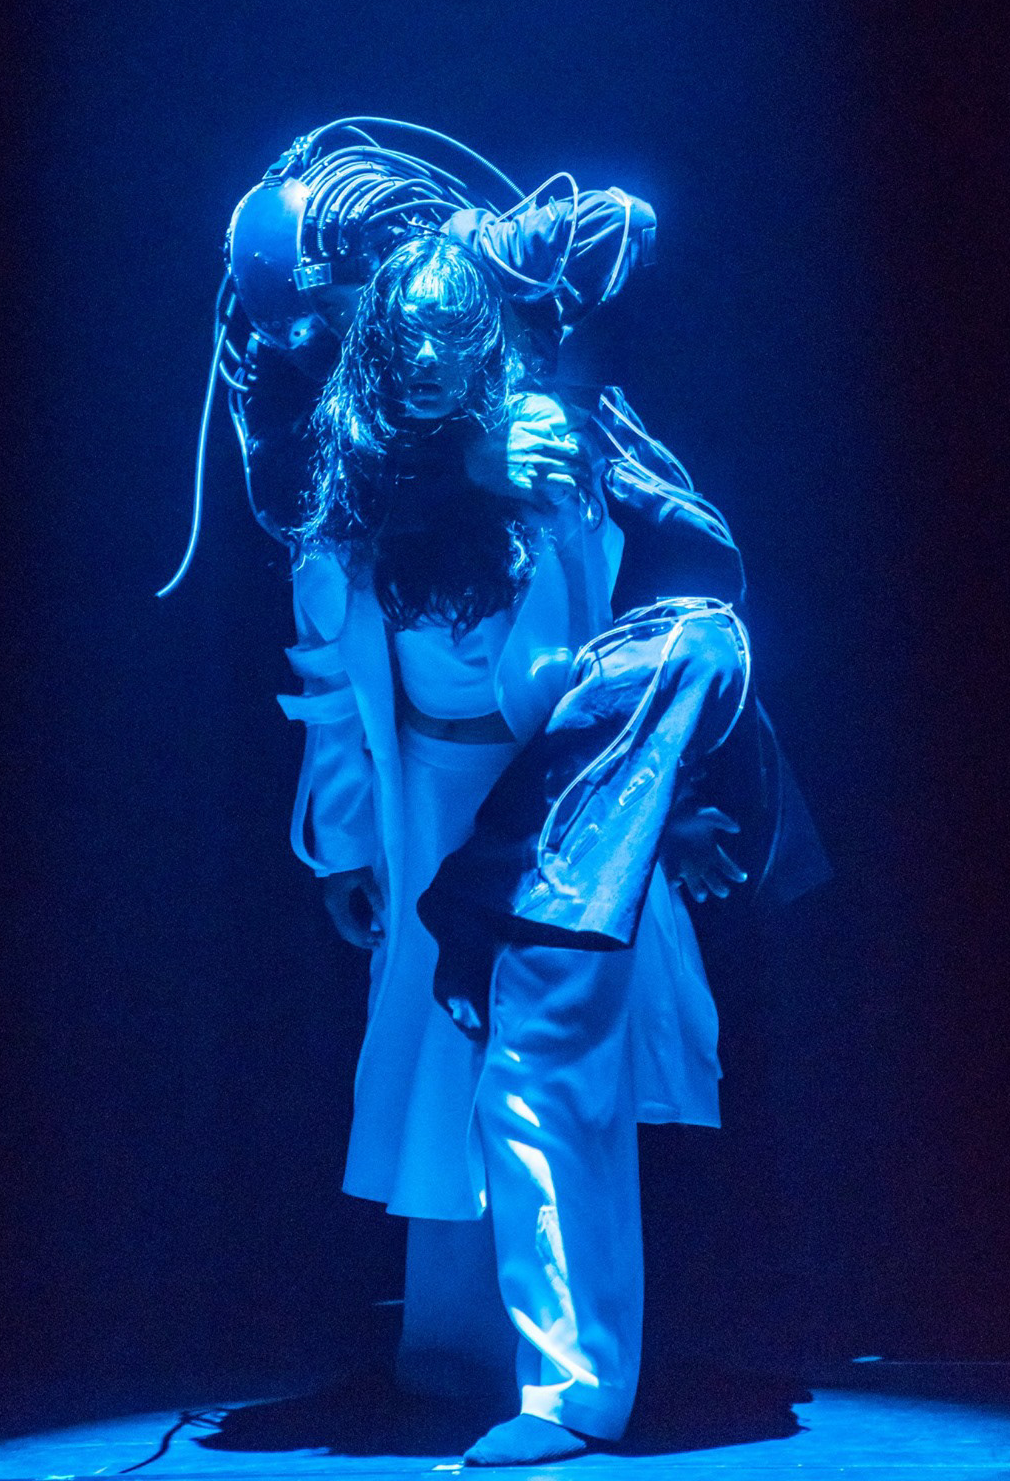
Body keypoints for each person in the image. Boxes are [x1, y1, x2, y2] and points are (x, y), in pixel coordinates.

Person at [279, 229, 764, 1461]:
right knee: (443, 1080)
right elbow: (335, 686)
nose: (432, 371)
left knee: (545, 1068)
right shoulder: (354, 485)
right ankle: (458, 1351)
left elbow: (625, 638)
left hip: (555, 795)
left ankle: (569, 1387)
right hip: (431, 800)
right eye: (411, 349)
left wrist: (662, 801)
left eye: (454, 347)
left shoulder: (543, 445)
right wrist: (345, 843)